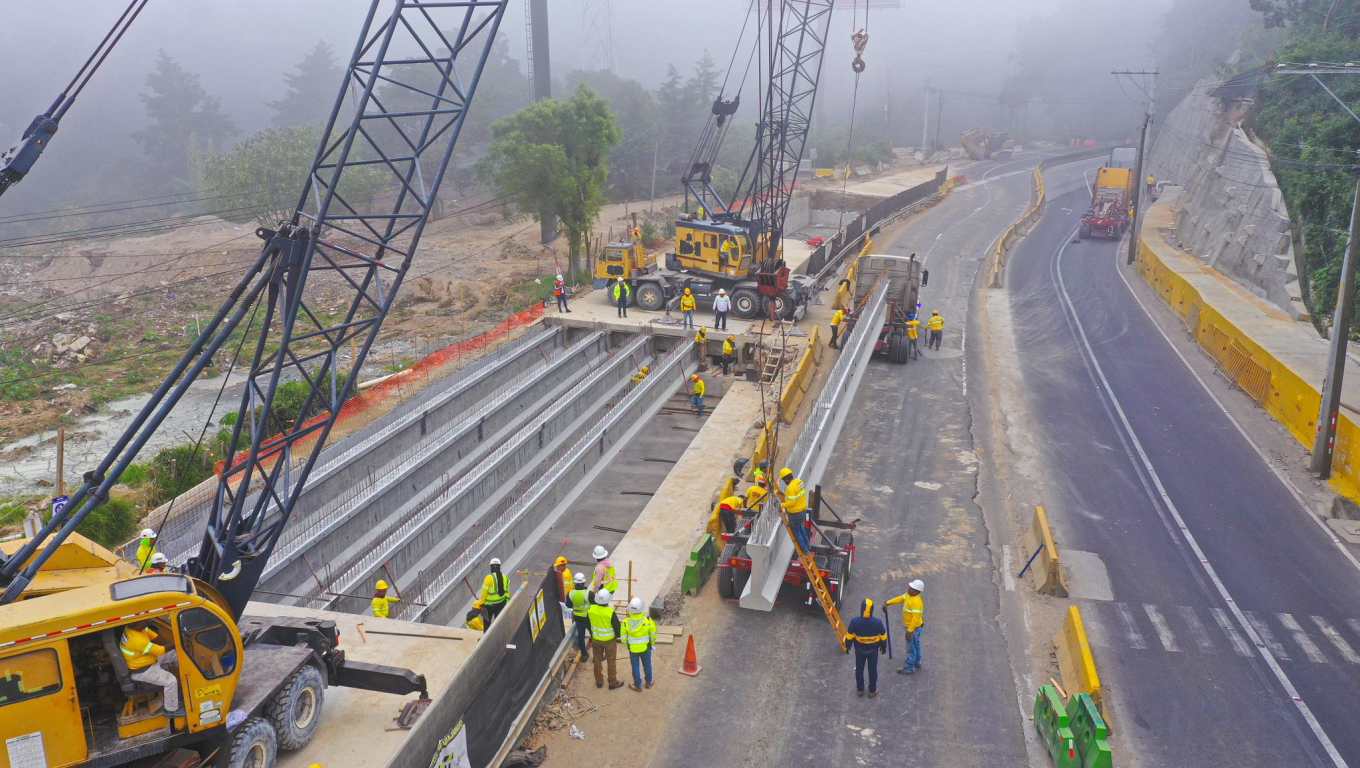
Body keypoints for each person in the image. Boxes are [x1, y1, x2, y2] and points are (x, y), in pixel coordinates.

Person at [119, 621, 183, 717]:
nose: (146, 623)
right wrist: (178, 642)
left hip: (146, 659)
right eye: (144, 622)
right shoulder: (136, 640)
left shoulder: (133, 628)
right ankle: (171, 710)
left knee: (174, 654)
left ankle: (186, 681)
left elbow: (155, 637)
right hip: (143, 670)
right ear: (136, 624)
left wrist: (169, 643)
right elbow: (160, 651)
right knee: (171, 681)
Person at [842, 598, 888, 698]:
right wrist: (883, 647)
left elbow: (849, 637)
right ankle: (872, 691)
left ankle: (860, 690)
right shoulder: (878, 622)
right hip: (873, 651)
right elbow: (883, 637)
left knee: (859, 670)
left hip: (859, 651)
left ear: (861, 609)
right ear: (872, 610)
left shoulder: (854, 622)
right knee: (872, 671)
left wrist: (847, 647)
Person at [588, 589, 625, 690]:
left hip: (596, 640)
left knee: (597, 660)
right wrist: (618, 636)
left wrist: (593, 634)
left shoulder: (591, 609)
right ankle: (612, 682)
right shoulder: (610, 612)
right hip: (609, 641)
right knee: (611, 661)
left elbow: (589, 624)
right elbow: (617, 628)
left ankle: (599, 681)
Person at [886, 579, 925, 674]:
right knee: (916, 644)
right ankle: (917, 661)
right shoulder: (908, 595)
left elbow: (915, 619)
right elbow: (900, 598)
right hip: (914, 628)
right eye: (910, 587)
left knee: (910, 648)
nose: (909, 588)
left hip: (913, 628)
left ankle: (909, 667)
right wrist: (888, 602)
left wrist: (909, 631)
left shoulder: (916, 602)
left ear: (917, 591)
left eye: (912, 588)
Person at [624, 597, 657, 691]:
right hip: (646, 648)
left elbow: (623, 638)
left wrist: (628, 644)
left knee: (635, 667)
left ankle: (638, 685)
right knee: (647, 665)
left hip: (633, 649)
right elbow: (653, 634)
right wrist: (652, 644)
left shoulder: (626, 622)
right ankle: (649, 683)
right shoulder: (647, 620)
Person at [779, 467, 811, 553]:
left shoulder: (790, 488)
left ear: (786, 479)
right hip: (803, 511)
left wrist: (782, 505)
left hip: (795, 514)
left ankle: (805, 550)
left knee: (797, 533)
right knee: (801, 528)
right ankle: (808, 546)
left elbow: (791, 503)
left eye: (783, 480)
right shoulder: (799, 482)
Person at [476, 557, 510, 624]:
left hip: (489, 606)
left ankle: (487, 633)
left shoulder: (488, 578)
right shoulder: (505, 577)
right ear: (499, 567)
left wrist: (480, 604)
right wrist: (507, 603)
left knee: (487, 624)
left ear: (491, 567)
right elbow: (507, 593)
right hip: (501, 604)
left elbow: (484, 594)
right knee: (498, 623)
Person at [567, 572, 592, 662]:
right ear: (584, 583)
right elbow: (594, 603)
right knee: (593, 633)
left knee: (581, 637)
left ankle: (584, 655)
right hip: (588, 617)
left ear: (575, 583)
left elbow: (568, 605)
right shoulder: (587, 593)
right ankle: (598, 653)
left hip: (577, 618)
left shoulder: (570, 593)